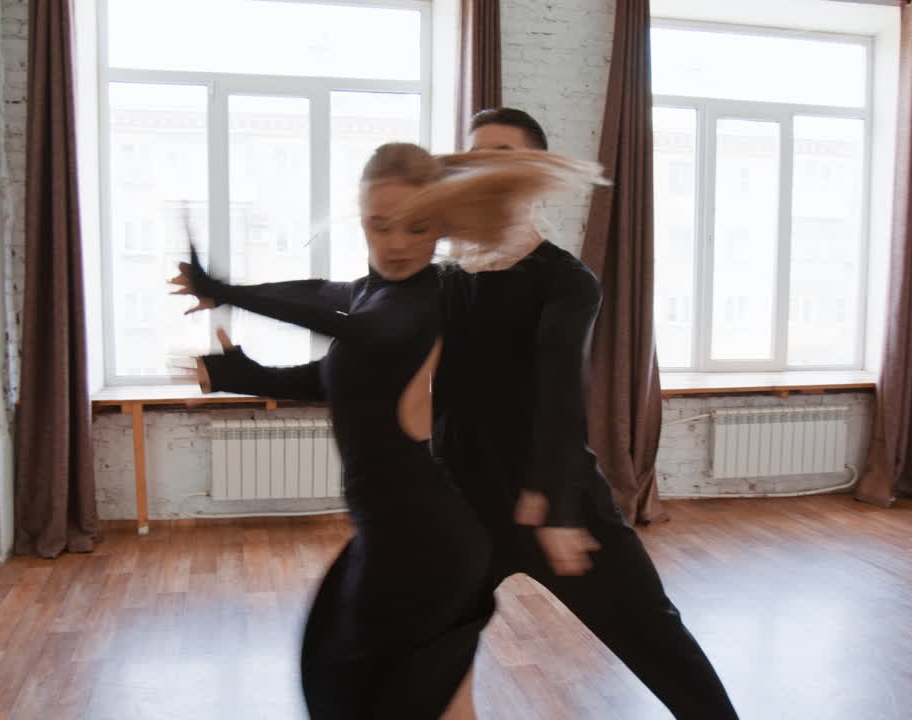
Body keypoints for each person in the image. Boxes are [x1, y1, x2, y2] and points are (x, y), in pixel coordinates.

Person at [170, 142, 604, 719]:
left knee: (367, 695)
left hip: (420, 547)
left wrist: (227, 292)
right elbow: (330, 357)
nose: (398, 244)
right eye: (380, 226)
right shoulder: (370, 292)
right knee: (425, 701)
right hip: (402, 539)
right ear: (361, 220)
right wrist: (239, 372)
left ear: (439, 229)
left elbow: (357, 331)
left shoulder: (423, 300)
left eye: (418, 227)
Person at [428, 108, 740, 719]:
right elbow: (364, 341)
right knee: (419, 653)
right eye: (476, 154)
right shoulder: (443, 281)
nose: (485, 165)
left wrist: (558, 508)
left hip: (557, 506)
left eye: (502, 152)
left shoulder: (566, 280)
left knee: (654, 636)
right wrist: (232, 350)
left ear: (535, 171)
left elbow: (558, 394)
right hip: (463, 510)